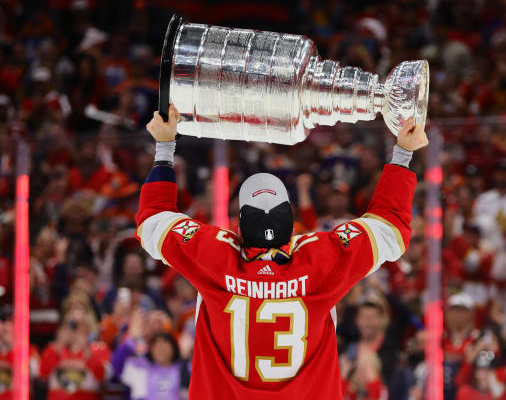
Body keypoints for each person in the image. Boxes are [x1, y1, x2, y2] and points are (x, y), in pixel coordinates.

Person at [135, 105, 427, 399]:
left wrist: (164, 147)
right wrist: (403, 152)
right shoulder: (319, 260)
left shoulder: (214, 256)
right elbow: (391, 228)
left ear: (239, 227)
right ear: (291, 221)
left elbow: (152, 221)